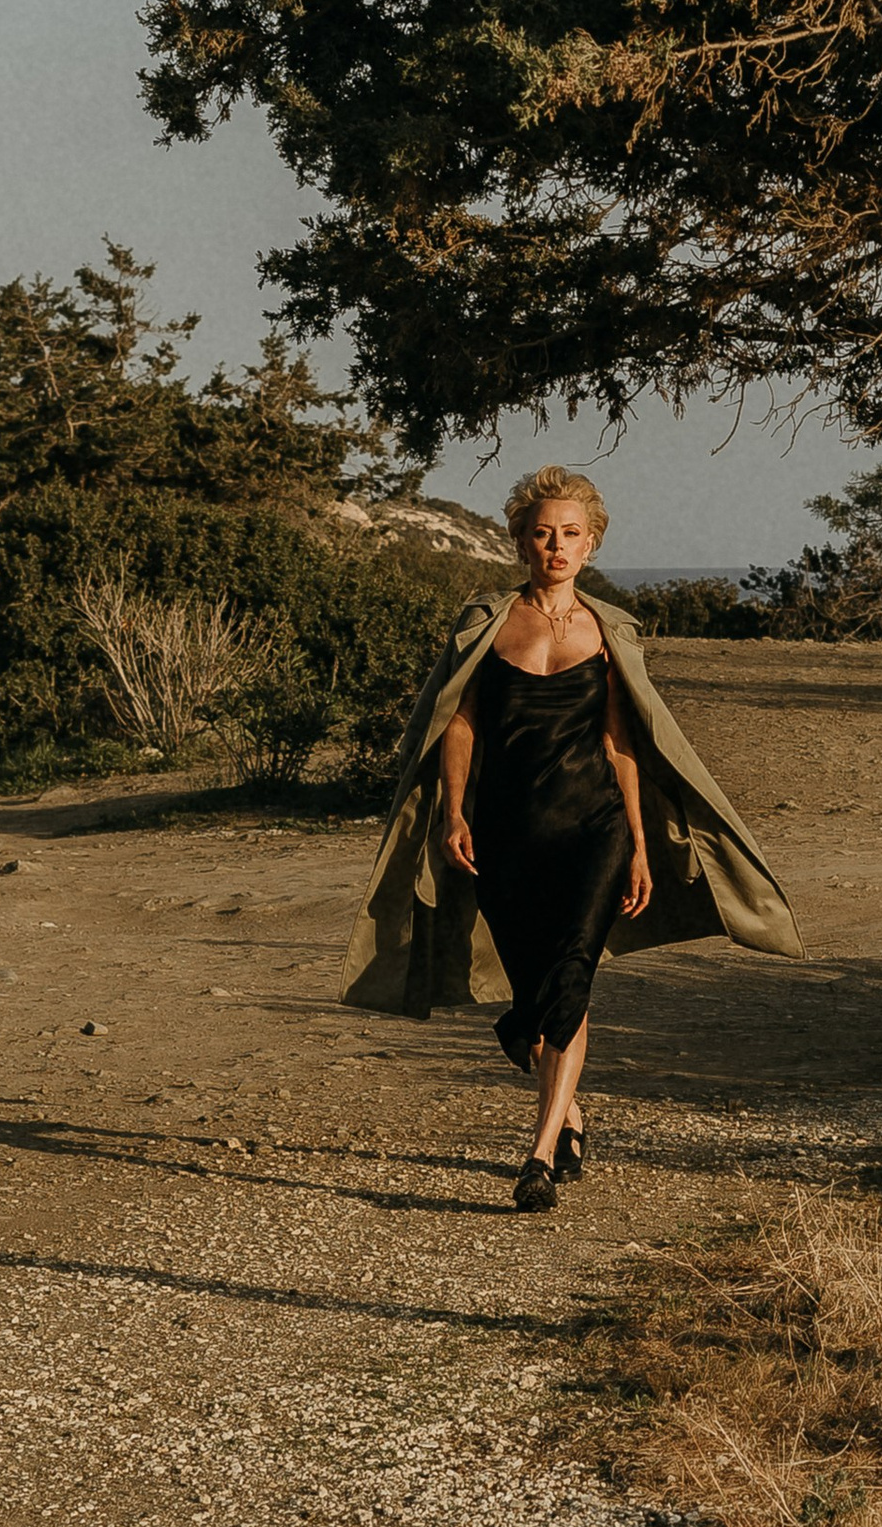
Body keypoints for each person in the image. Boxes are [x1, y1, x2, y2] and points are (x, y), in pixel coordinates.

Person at [341, 467, 802, 1211]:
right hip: (504, 827)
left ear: (591, 543)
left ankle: (539, 1155)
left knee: (574, 975)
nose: (556, 545)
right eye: (542, 532)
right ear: (521, 540)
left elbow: (623, 739)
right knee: (536, 993)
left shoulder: (608, 630)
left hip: (596, 826)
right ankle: (570, 1109)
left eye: (570, 534)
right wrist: (455, 812)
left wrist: (642, 845)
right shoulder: (486, 622)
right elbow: (459, 722)